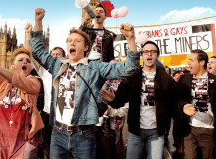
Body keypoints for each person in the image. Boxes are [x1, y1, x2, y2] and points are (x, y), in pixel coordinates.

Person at [30, 8, 140, 158]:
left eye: (77, 41)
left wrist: (131, 39)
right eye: (69, 41)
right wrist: (38, 21)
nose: (71, 43)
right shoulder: (58, 64)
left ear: (86, 47)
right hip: (58, 133)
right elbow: (37, 50)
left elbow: (130, 68)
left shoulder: (95, 67)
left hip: (83, 135)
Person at [0, 18, 44, 158]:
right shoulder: (2, 83)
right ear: (12, 65)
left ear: (30, 67)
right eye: (21, 60)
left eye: (28, 61)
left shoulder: (33, 83)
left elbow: (17, 80)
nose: (25, 62)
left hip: (22, 140)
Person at [101, 40, 179, 159]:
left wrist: (168, 123)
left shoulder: (166, 79)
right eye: (146, 52)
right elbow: (120, 99)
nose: (149, 54)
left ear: (157, 55)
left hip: (156, 132)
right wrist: (113, 99)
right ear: (142, 55)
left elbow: (174, 102)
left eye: (153, 52)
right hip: (135, 131)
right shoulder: (132, 76)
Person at [177, 50, 216, 159]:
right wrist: (183, 106)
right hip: (189, 129)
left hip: (208, 129)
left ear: (202, 62)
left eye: (191, 60)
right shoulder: (184, 78)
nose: (188, 63)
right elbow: (178, 99)